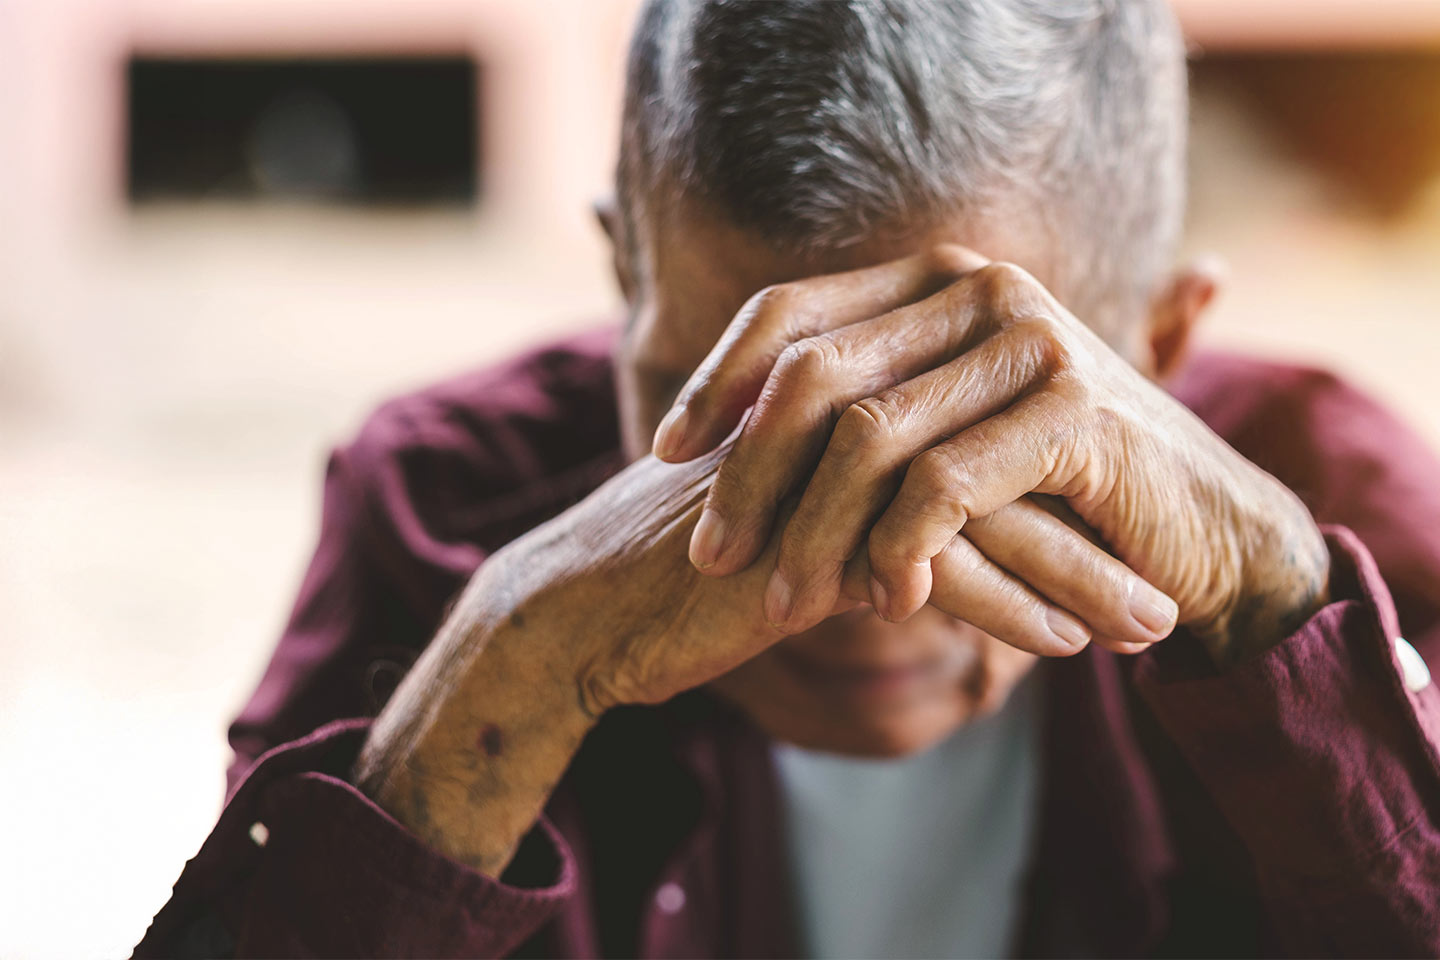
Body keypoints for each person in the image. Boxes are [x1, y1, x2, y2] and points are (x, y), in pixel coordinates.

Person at [136, 1, 1440, 956]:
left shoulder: (1328, 516)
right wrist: (502, 675)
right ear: (622, 286)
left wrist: (1282, 612)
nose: (856, 574)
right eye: (749, 426)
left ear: (1155, 349)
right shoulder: (443, 511)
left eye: (971, 428)